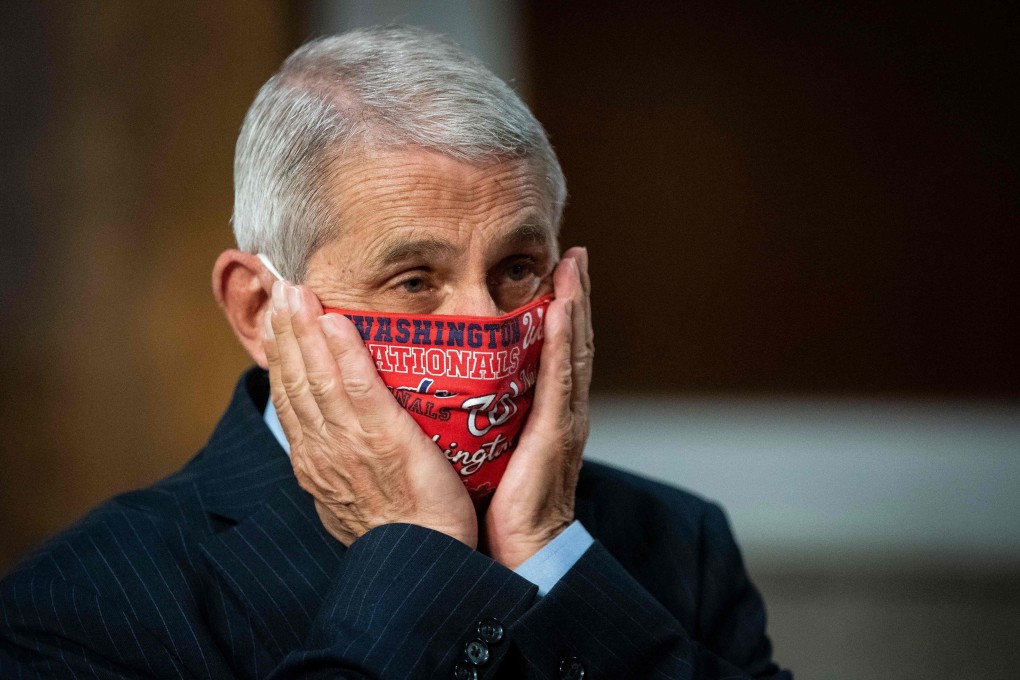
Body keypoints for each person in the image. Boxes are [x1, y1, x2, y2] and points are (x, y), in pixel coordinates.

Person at [0, 26, 790, 679]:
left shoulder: (677, 543)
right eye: (415, 279)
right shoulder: (81, 606)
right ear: (259, 306)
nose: (484, 324)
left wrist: (553, 559)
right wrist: (417, 560)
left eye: (517, 269)